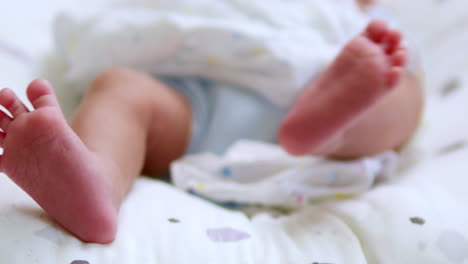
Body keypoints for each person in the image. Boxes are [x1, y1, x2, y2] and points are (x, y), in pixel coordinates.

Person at [0, 0, 423, 244]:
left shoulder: (351, 20)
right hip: (187, 94)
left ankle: (331, 125)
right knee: (121, 88)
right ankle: (95, 181)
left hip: (311, 81)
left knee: (399, 86)